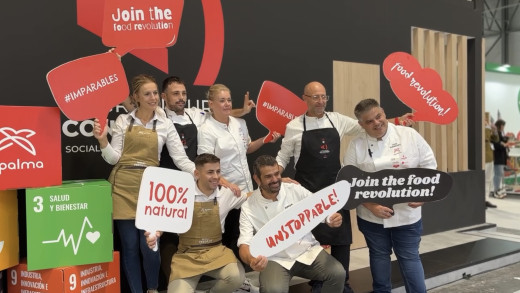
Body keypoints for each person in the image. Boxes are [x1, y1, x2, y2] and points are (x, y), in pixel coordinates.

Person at [275, 81, 412, 293]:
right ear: (305, 98)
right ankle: (318, 282)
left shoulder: (336, 119)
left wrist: (396, 121)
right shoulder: (294, 126)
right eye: (315, 97)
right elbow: (283, 156)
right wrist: (277, 175)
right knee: (311, 241)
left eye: (324, 97)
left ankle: (342, 283)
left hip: (335, 189)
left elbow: (366, 125)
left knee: (341, 240)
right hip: (307, 191)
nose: (321, 101)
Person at [93, 74, 195, 293]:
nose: (153, 97)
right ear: (135, 97)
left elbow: (181, 159)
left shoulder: (165, 124)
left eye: (155, 93)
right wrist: (103, 142)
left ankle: (152, 289)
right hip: (122, 187)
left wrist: (201, 173)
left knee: (150, 247)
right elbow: (114, 159)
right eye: (147, 94)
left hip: (151, 189)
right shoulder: (123, 121)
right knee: (129, 248)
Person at [158, 76, 254, 283]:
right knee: (168, 237)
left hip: (195, 184)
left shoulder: (195, 114)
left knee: (195, 232)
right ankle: (174, 281)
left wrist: (242, 112)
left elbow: (219, 114)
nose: (181, 98)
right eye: (176, 94)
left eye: (183, 93)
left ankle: (210, 277)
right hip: (168, 184)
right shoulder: (158, 116)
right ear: (163, 96)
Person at [343, 98, 436, 293]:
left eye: (378, 117)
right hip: (371, 217)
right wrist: (370, 206)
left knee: (410, 258)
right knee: (379, 258)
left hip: (407, 214)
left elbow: (430, 166)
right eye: (369, 121)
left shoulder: (409, 135)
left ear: (384, 113)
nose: (376, 123)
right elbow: (348, 181)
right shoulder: (356, 145)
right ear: (361, 124)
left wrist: (423, 195)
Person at [238, 155, 346, 293]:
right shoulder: (248, 207)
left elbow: (318, 208)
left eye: (277, 174)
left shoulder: (294, 189)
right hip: (274, 258)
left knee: (337, 273)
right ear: (257, 179)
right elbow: (244, 244)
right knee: (273, 290)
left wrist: (330, 218)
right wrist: (252, 260)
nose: (275, 179)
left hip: (306, 250)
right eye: (268, 176)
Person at [197, 84, 281, 257]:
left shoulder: (240, 123)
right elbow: (206, 166)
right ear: (211, 104)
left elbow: (247, 148)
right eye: (222, 100)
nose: (227, 104)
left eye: (229, 100)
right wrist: (227, 184)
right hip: (227, 192)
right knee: (231, 235)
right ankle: (233, 279)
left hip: (248, 190)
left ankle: (245, 277)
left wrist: (265, 139)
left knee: (247, 234)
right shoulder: (206, 130)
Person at [146, 153, 248, 293]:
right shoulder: (181, 195)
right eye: (210, 172)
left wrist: (280, 186)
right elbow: (164, 221)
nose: (216, 176)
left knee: (236, 278)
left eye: (218, 171)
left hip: (216, 252)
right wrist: (155, 234)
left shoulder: (226, 194)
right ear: (197, 173)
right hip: (187, 256)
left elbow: (251, 196)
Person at [493, 119, 515, 198]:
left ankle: (497, 190)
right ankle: (496, 191)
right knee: (498, 175)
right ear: (499, 125)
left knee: (499, 174)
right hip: (498, 157)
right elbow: (497, 144)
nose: (503, 127)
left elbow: (502, 141)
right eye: (502, 125)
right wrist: (504, 145)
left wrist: (505, 142)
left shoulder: (499, 134)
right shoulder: (496, 134)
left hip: (501, 158)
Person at [484, 112, 498, 207]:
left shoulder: (487, 129)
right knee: (482, 179)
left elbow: (495, 139)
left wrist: (495, 130)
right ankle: (481, 200)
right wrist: (488, 128)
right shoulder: (484, 129)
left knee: (488, 179)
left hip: (489, 157)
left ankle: (485, 199)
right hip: (483, 158)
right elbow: (485, 137)